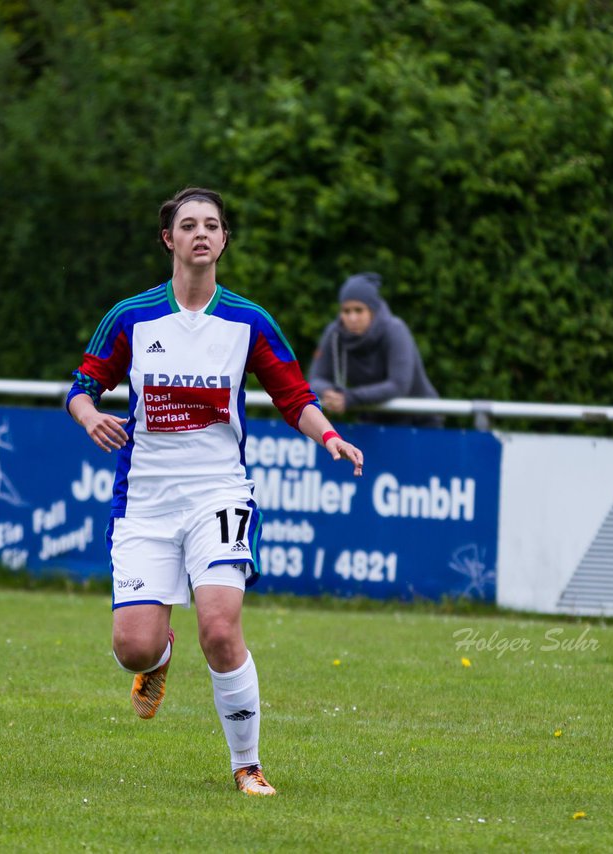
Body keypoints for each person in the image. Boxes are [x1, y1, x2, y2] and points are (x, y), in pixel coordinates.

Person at [65, 187, 364, 797]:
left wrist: (328, 435)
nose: (201, 233)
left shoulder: (248, 321)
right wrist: (87, 413)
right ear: (168, 240)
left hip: (218, 495)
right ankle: (158, 654)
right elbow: (80, 385)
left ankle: (246, 766)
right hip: (145, 500)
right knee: (132, 648)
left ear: (224, 240)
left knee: (222, 631)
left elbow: (294, 397)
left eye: (212, 225)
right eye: (188, 225)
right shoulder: (131, 317)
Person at [308, 272, 442, 427]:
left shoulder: (395, 329)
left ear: (373, 311)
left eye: (359, 310)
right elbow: (315, 379)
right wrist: (329, 393)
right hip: (372, 419)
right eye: (346, 311)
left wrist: (349, 398)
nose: (352, 318)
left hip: (418, 421)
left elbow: (398, 385)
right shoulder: (334, 333)